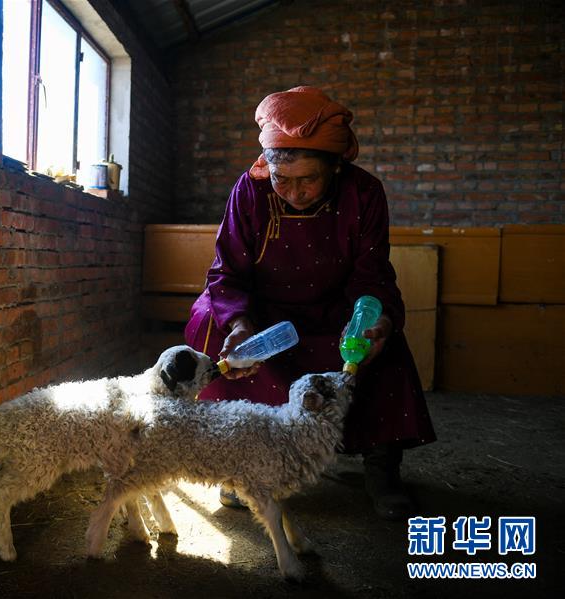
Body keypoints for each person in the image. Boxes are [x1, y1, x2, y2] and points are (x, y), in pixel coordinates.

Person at [184, 86, 436, 520]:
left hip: (333, 307)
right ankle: (239, 462)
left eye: (309, 180)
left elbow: (372, 274)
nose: (294, 193)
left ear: (336, 167)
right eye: (282, 180)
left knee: (382, 339)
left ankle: (382, 467)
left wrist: (376, 320)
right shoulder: (250, 190)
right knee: (210, 320)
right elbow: (227, 272)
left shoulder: (364, 193)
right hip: (262, 310)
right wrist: (239, 324)